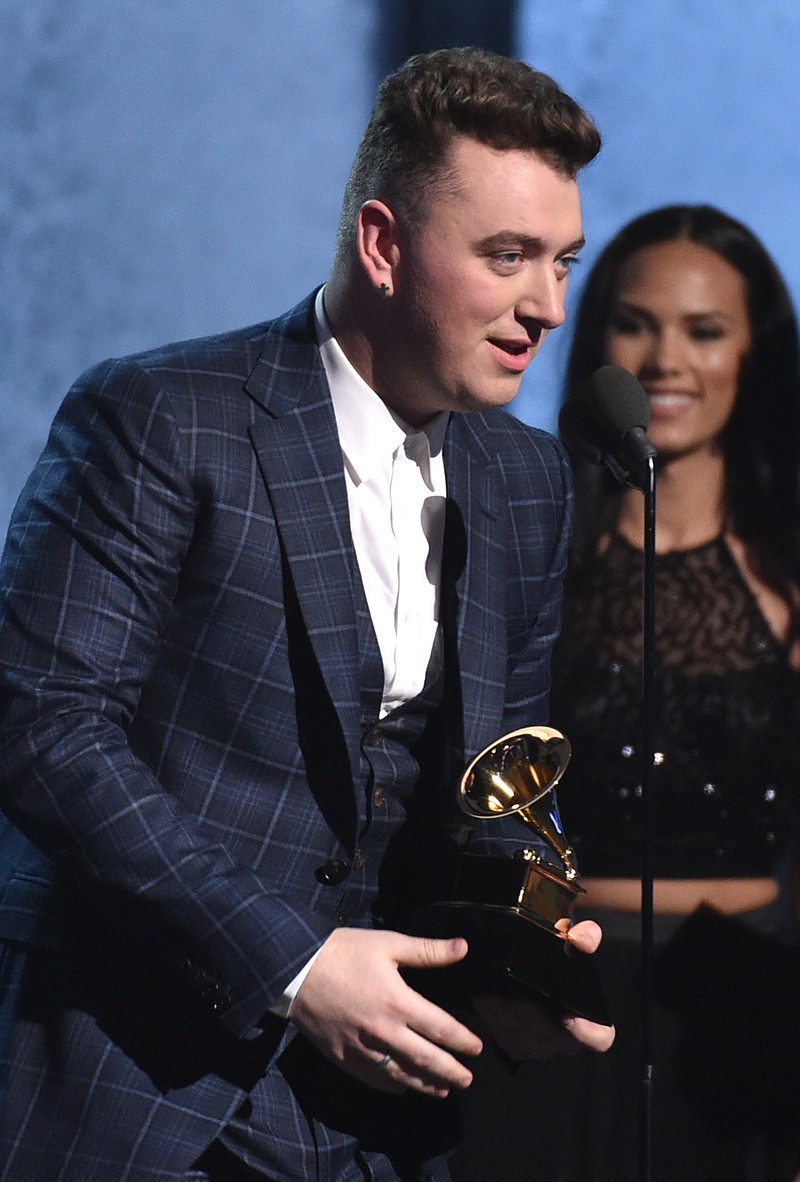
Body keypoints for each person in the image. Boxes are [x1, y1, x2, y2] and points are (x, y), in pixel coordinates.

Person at [0, 47, 614, 1182]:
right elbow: (42, 727)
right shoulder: (164, 419)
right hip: (137, 1082)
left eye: (563, 262)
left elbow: (500, 779)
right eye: (508, 257)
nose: (550, 308)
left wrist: (522, 948)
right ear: (381, 245)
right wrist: (292, 965)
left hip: (378, 1109)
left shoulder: (531, 481)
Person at [453, 203, 800, 1182]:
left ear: (752, 354)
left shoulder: (788, 572)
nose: (664, 360)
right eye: (635, 323)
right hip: (543, 1013)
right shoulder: (522, 546)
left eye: (703, 330)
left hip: (744, 1028)